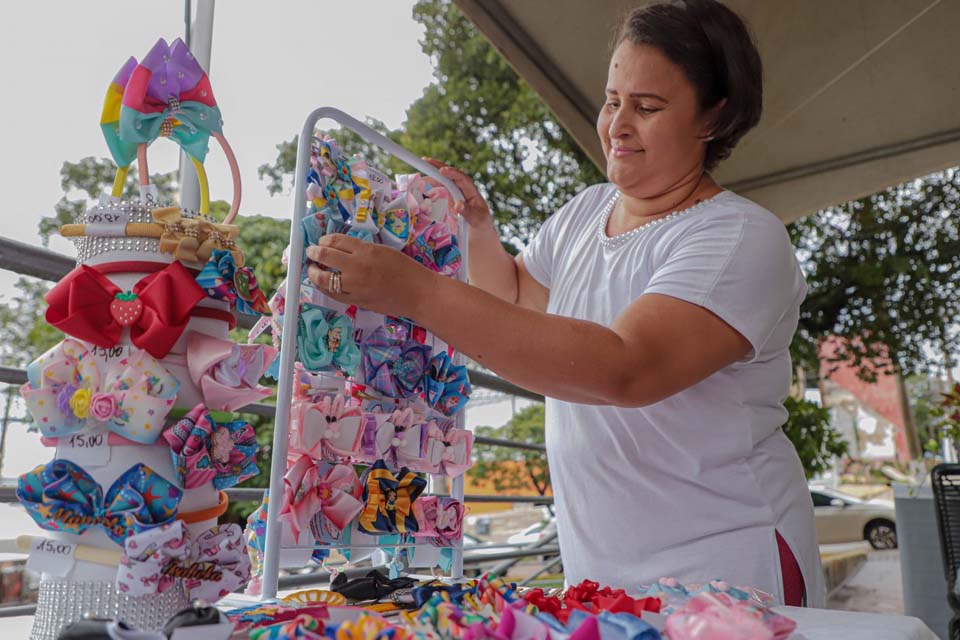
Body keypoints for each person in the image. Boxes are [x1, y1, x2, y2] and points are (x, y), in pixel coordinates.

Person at [306, 0, 824, 607]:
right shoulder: (585, 211)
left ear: (714, 117)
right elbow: (516, 302)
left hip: (726, 561)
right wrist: (479, 232)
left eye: (648, 107)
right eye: (612, 101)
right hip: (601, 566)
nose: (618, 125)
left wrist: (414, 291)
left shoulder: (741, 236)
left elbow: (626, 367)